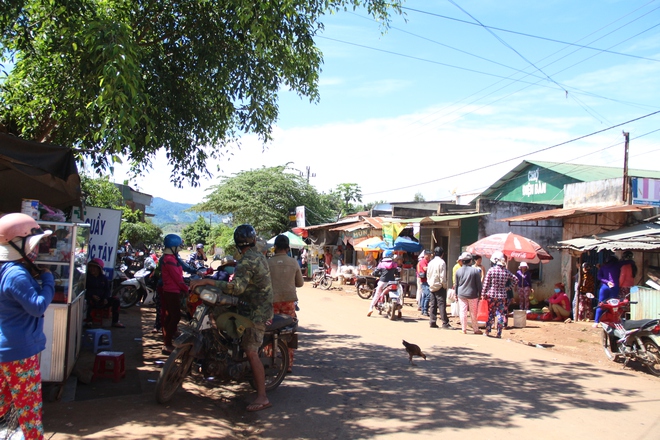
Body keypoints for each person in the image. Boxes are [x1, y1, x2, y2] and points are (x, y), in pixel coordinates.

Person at [189, 224, 273, 412]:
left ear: (236, 243)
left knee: (251, 351)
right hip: (246, 304)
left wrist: (208, 281)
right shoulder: (256, 255)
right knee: (217, 314)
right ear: (252, 240)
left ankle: (262, 396)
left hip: (256, 311)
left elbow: (237, 288)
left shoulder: (247, 260)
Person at [0, 213, 55, 439]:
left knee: (3, 401)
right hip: (18, 352)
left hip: (5, 349)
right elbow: (37, 307)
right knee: (29, 408)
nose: (36, 250)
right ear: (18, 244)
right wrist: (48, 280)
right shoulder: (16, 274)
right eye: (33, 244)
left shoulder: (5, 270)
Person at [267, 234, 303, 373]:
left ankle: (269, 360)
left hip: (271, 303)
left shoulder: (268, 263)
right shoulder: (293, 263)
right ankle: (288, 365)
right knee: (289, 331)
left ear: (274, 248)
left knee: (269, 331)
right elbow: (299, 283)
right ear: (288, 248)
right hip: (288, 303)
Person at [159, 234, 190, 355]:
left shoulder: (170, 258)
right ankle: (167, 344)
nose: (179, 248)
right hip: (172, 291)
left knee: (169, 316)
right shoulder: (170, 260)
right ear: (173, 247)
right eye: (177, 246)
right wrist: (186, 288)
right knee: (175, 317)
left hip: (169, 290)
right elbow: (177, 278)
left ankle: (167, 339)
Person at [481, 251, 518, 338]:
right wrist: (508, 288)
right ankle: (499, 333)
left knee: (490, 313)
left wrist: (483, 294)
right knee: (500, 314)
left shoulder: (491, 270)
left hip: (491, 295)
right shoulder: (506, 272)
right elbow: (516, 279)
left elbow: (486, 284)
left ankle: (487, 331)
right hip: (502, 296)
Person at [85, 258, 124, 328]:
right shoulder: (86, 278)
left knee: (116, 300)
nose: (92, 269)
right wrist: (92, 295)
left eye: (94, 267)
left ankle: (115, 322)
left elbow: (107, 290)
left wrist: (106, 298)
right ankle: (89, 321)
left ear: (99, 269)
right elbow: (84, 289)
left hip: (102, 300)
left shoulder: (103, 278)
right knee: (88, 301)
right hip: (91, 300)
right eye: (91, 267)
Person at [454, 252, 483, 335]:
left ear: (462, 261)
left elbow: (456, 284)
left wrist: (456, 294)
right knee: (473, 312)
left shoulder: (458, 271)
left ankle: (463, 329)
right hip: (473, 295)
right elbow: (479, 285)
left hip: (461, 294)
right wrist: (480, 294)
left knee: (463, 311)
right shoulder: (475, 271)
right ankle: (475, 329)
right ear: (470, 261)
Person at [367, 250, 399, 317]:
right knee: (397, 294)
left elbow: (376, 272)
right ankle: (399, 310)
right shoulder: (394, 264)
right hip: (392, 282)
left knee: (377, 294)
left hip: (383, 282)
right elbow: (396, 272)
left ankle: (371, 308)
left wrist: (373, 273)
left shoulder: (381, 263)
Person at [427, 246, 453, 329]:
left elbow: (428, 274)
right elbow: (442, 276)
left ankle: (432, 321)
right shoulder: (442, 262)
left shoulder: (430, 262)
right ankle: (445, 323)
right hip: (439, 285)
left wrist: (430, 283)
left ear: (434, 253)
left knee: (433, 304)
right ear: (442, 254)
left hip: (431, 285)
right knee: (441, 305)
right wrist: (445, 285)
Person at [594, 256, 621, 327]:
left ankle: (596, 322)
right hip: (614, 286)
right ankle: (612, 321)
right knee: (613, 305)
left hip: (604, 287)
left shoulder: (603, 267)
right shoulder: (618, 266)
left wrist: (607, 282)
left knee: (600, 304)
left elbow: (599, 277)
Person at [417, 251, 432, 316]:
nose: (429, 257)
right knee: (428, 295)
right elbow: (424, 268)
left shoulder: (429, 261)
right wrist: (431, 268)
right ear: (425, 255)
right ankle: (425, 310)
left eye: (430, 255)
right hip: (424, 280)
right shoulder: (423, 261)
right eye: (428, 255)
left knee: (425, 295)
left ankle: (423, 310)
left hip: (427, 280)